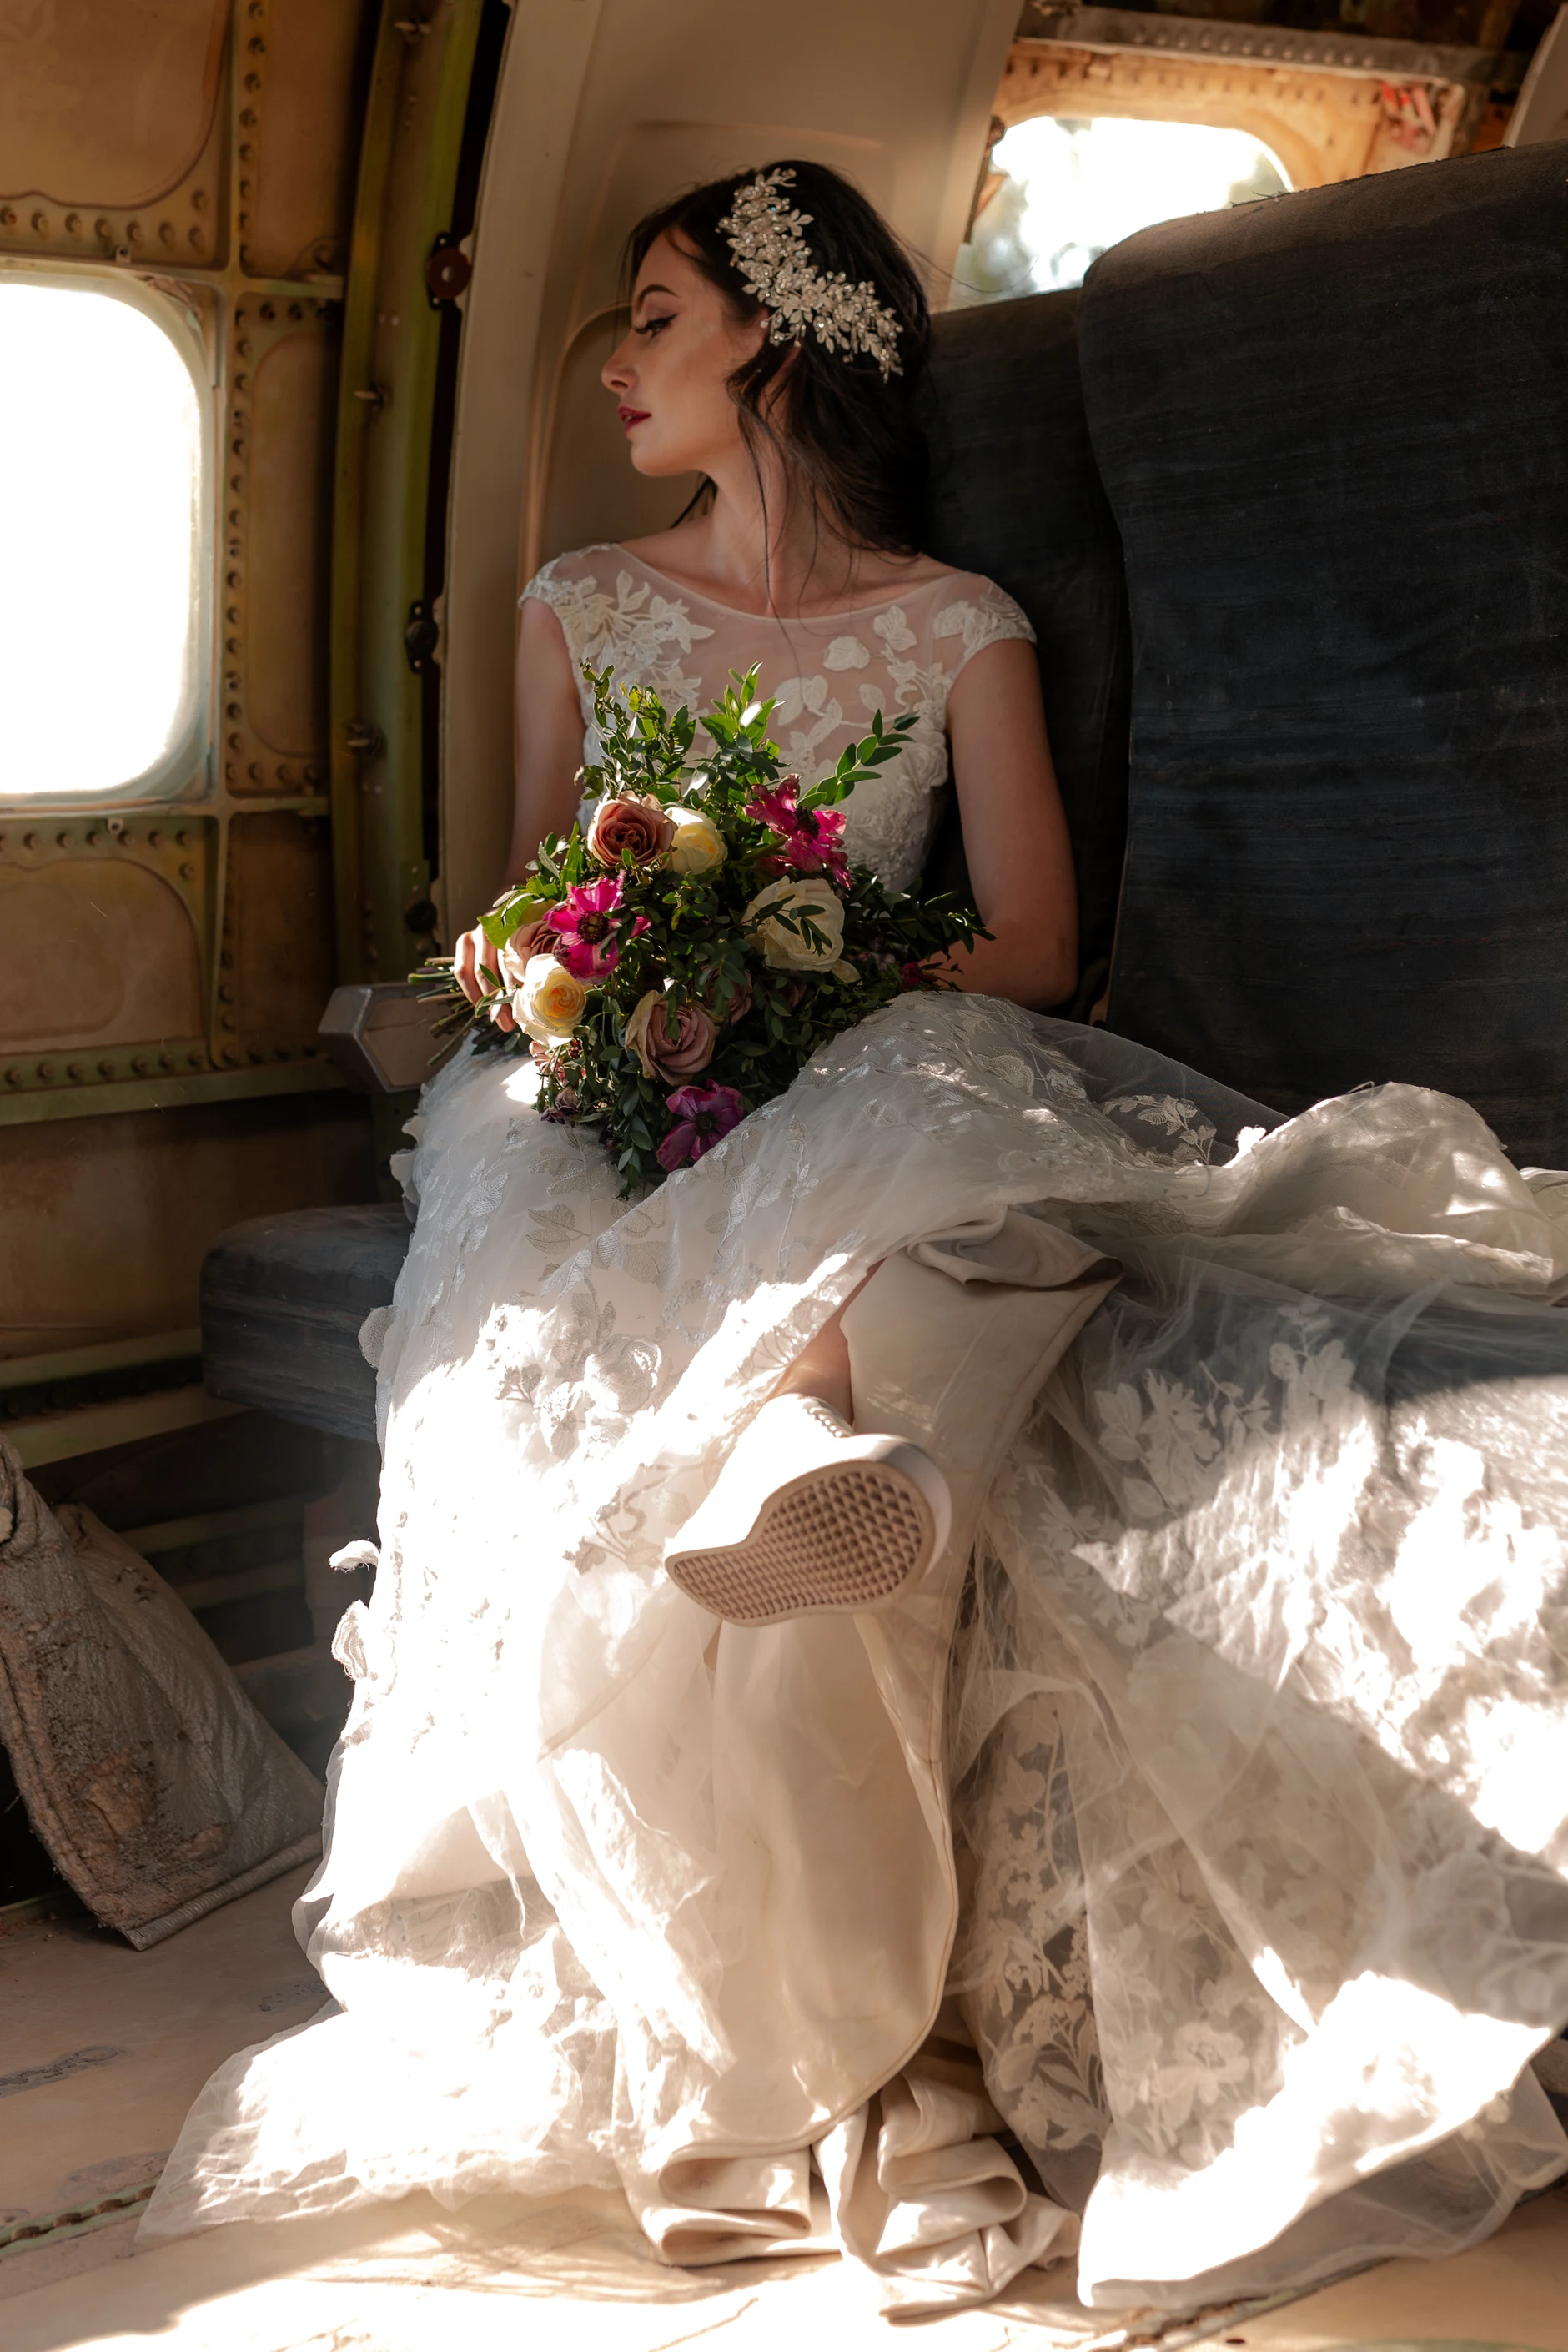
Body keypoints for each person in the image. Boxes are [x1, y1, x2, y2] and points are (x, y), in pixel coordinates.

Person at [143, 163, 1568, 2320]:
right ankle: (849, 2037)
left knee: (933, 1101)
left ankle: (812, 1429)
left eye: (653, 318)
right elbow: (519, 908)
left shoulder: (961, 625)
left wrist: (807, 970)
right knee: (606, 1197)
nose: (616, 366)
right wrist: (625, 970)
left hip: (865, 1038)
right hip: (603, 1081)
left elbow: (1033, 945)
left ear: (774, 343)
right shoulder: (580, 605)